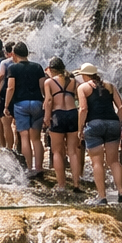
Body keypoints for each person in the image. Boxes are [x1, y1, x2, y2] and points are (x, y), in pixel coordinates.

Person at [77, 62, 122, 204]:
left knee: (97, 162)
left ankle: (102, 196)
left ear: (85, 75)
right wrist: (116, 121)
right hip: (112, 124)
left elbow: (83, 109)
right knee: (114, 161)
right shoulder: (110, 86)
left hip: (94, 125)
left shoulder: (83, 88)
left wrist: (80, 129)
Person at [5, 42, 47, 178]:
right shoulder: (37, 67)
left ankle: (29, 168)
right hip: (36, 103)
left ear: (14, 55)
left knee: (24, 137)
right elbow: (42, 87)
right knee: (36, 138)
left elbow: (10, 88)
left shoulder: (13, 68)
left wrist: (6, 105)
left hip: (20, 104)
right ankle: (39, 167)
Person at [43, 58, 82, 191]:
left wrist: (47, 117)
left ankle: (61, 185)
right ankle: (76, 184)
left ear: (51, 69)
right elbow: (78, 99)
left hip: (58, 115)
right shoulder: (73, 81)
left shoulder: (49, 82)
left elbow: (49, 100)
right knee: (73, 152)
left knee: (57, 152)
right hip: (72, 114)